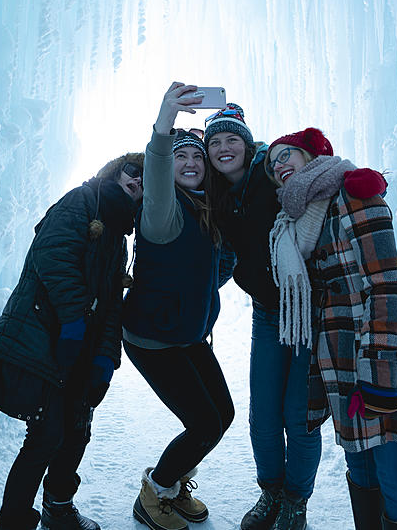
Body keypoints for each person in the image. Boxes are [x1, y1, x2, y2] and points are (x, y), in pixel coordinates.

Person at [265, 127, 397, 530]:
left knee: (394, 473)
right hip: (339, 359)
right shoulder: (295, 219)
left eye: (287, 155)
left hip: (383, 351)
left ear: (313, 155)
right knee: (360, 468)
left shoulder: (354, 191)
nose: (279, 165)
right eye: (272, 164)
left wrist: (378, 373)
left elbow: (386, 284)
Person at [203, 104, 356, 530]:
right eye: (214, 142)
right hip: (268, 316)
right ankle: (270, 492)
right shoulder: (217, 196)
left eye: (232, 139)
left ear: (248, 144)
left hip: (309, 311)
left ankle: (295, 502)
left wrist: (357, 183)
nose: (223, 148)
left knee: (298, 415)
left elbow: (316, 179)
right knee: (263, 415)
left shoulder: (269, 178)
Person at [0, 153, 145, 530]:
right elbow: (52, 256)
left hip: (78, 348)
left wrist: (105, 357)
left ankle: (58, 508)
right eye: (132, 171)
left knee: (76, 430)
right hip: (45, 337)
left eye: (146, 180)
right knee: (46, 434)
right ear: (114, 172)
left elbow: (113, 303)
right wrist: (72, 321)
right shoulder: (81, 201)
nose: (138, 180)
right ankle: (14, 521)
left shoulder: (118, 237)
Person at [123, 82, 236, 530]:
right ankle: (154, 493)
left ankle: (172, 483)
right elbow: (157, 163)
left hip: (185, 335)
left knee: (221, 415)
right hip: (153, 339)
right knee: (205, 423)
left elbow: (215, 267)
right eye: (182, 157)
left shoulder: (204, 212)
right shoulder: (161, 211)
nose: (190, 163)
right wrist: (165, 121)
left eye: (197, 157)